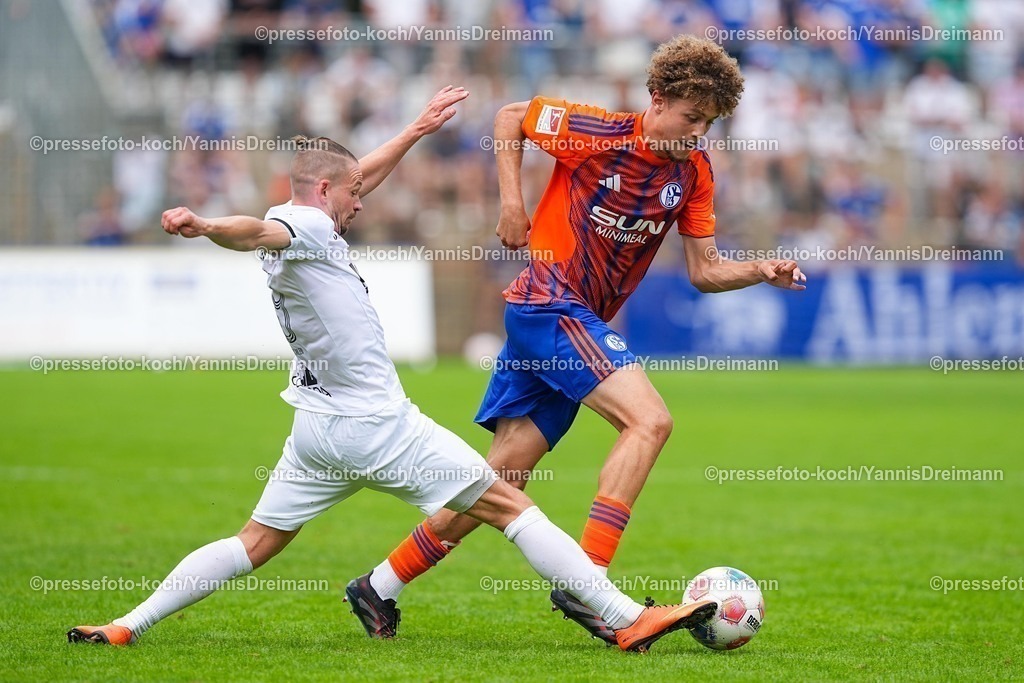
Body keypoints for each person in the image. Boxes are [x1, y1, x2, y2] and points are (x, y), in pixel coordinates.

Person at [66, 86, 715, 653]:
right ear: (325, 194)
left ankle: (127, 624)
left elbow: (350, 181)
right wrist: (205, 223)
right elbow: (257, 230)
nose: (362, 204)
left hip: (315, 430)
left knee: (252, 543)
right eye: (352, 196)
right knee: (513, 506)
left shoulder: (315, 219)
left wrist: (414, 130)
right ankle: (623, 617)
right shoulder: (300, 226)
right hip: (376, 425)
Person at [348, 36, 805, 644]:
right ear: (657, 99)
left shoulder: (693, 172)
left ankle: (379, 585)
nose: (699, 132)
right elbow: (511, 117)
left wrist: (760, 270)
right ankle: (591, 583)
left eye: (710, 122)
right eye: (691, 116)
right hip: (549, 304)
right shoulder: (597, 131)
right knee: (650, 422)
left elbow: (704, 270)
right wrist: (513, 205)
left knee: (502, 480)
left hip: (565, 319)